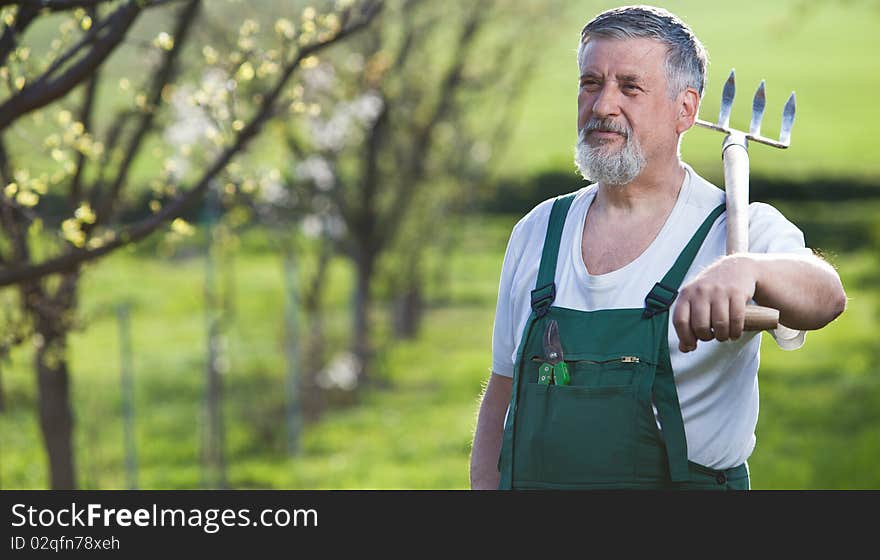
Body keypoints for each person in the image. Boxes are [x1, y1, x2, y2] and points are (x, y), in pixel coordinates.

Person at [469, 5, 847, 490]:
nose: (603, 105)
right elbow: (503, 390)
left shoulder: (735, 229)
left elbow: (827, 295)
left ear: (685, 109)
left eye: (630, 87)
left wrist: (747, 269)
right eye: (591, 83)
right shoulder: (538, 231)